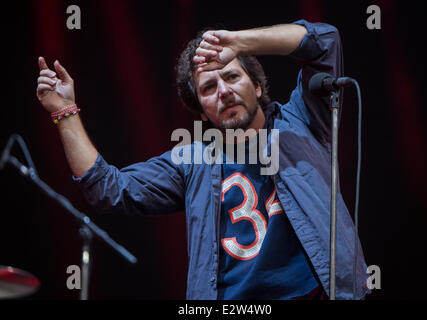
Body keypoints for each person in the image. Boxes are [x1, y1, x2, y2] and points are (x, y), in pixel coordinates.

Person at [36, 19, 369, 300]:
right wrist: (64, 113)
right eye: (209, 87)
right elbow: (106, 189)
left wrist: (238, 43)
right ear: (202, 112)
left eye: (232, 76)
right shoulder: (192, 161)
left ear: (256, 85)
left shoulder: (303, 122)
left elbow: (324, 41)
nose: (223, 91)